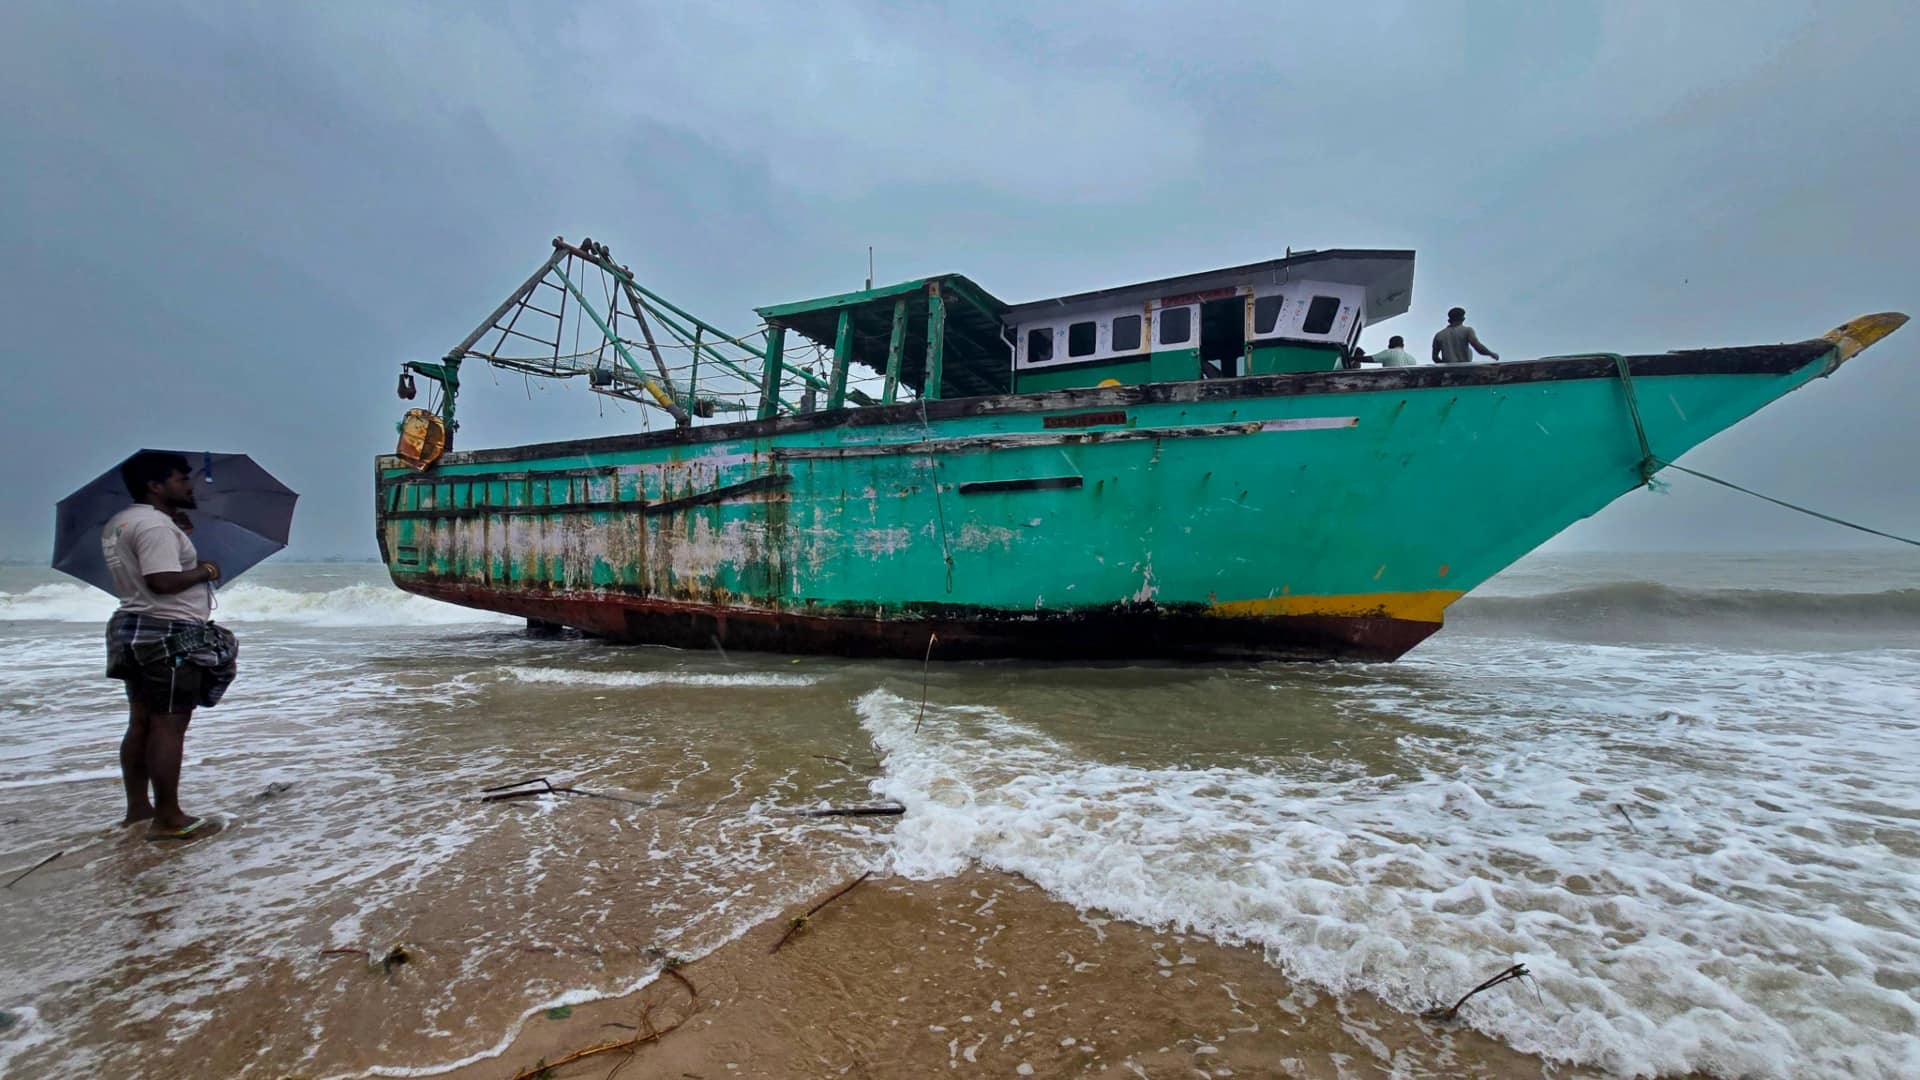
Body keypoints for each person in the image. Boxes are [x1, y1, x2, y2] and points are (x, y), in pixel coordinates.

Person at [102, 452, 236, 839]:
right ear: (155, 485)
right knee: (169, 723)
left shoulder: (119, 523)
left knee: (141, 720)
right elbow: (161, 581)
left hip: (133, 627)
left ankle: (138, 810)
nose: (189, 485)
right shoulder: (155, 526)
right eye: (181, 479)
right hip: (168, 631)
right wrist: (206, 570)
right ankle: (169, 818)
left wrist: (177, 535)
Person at [1432, 307, 1499, 364]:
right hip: (1464, 369)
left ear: (1449, 320)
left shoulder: (1439, 335)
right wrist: (1491, 354)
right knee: (1469, 350)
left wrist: (1445, 366)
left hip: (1448, 372)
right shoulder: (1467, 330)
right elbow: (1477, 346)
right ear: (1462, 318)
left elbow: (1435, 357)